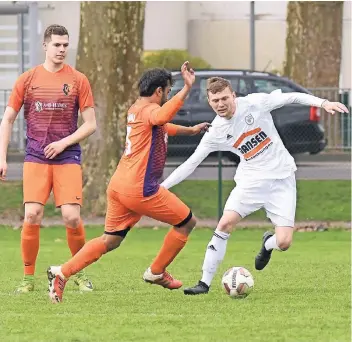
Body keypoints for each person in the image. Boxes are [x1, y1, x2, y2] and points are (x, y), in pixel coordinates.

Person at [160, 77, 349, 295]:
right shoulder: (216, 131)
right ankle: (204, 283)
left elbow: (292, 97)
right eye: (215, 101)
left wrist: (324, 103)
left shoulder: (255, 103)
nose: (221, 104)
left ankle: (268, 243)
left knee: (284, 242)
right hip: (251, 181)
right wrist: (163, 187)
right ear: (210, 102)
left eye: (224, 98)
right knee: (225, 224)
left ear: (233, 96)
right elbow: (191, 163)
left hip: (282, 179)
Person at [46, 62, 211, 303]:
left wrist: (191, 130)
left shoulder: (137, 108)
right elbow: (162, 116)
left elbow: (163, 126)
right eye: (168, 91)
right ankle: (156, 272)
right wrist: (187, 88)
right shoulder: (151, 111)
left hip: (119, 185)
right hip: (140, 188)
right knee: (187, 223)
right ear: (158, 92)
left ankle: (62, 272)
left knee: (109, 240)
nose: (169, 95)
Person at [0, 24, 97, 293]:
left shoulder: (78, 80)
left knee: (72, 218)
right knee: (32, 214)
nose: (62, 49)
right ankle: (28, 279)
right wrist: (2, 157)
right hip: (35, 157)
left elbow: (90, 124)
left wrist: (63, 143)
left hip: (68, 158)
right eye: (57, 44)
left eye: (65, 45)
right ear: (45, 45)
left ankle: (78, 273)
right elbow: (7, 119)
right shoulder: (27, 79)